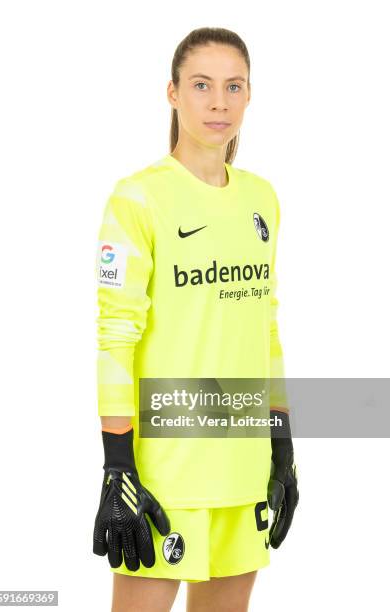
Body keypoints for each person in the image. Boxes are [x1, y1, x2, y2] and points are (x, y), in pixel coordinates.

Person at [93, 26, 299, 612]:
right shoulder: (137, 199)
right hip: (165, 468)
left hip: (243, 458)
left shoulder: (262, 198)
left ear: (249, 95)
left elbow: (267, 328)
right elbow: (115, 338)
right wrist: (117, 467)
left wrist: (281, 445)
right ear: (173, 93)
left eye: (233, 87)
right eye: (202, 85)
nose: (218, 102)